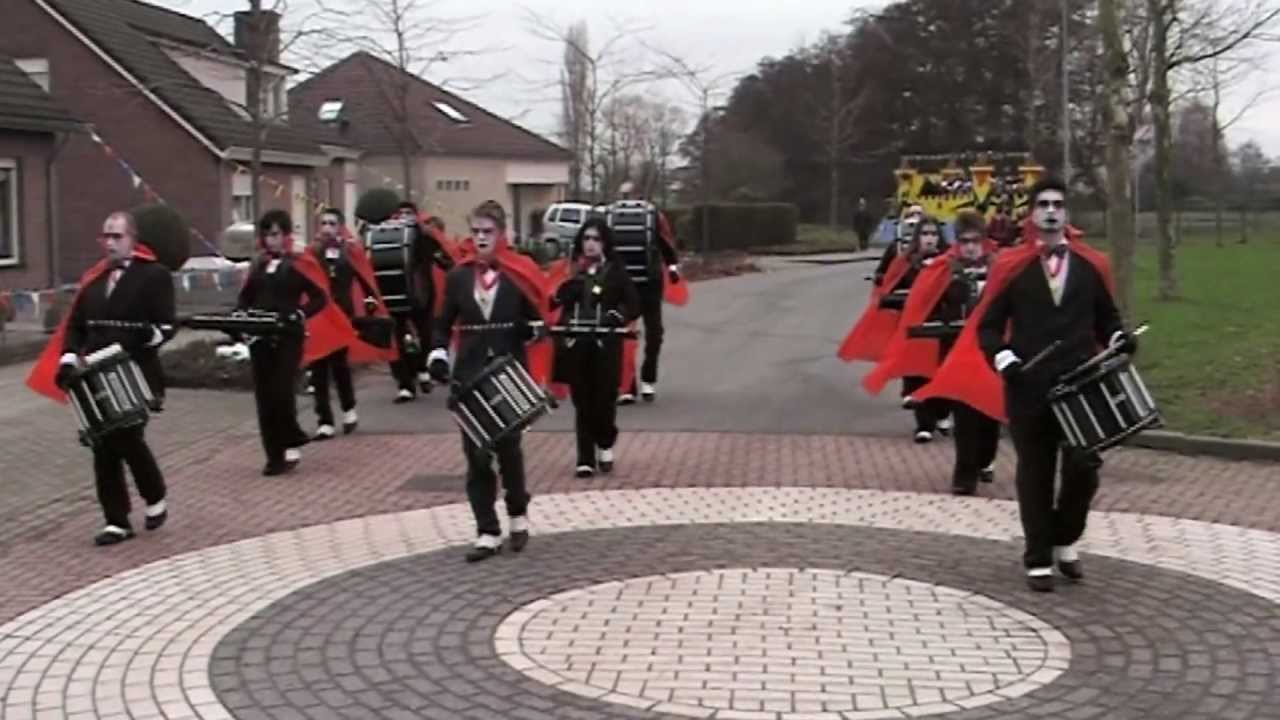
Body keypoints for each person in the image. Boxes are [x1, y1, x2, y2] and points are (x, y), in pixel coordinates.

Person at [911, 178, 1132, 592]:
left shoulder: (1090, 266)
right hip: (1029, 385)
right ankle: (1037, 556)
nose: (1050, 211)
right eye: (1043, 204)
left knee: (1084, 467)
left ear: (1067, 214)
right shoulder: (1012, 266)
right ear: (1032, 215)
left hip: (1079, 387)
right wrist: (1003, 357)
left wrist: (1121, 338)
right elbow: (989, 326)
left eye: (1058, 204)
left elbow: (1108, 320)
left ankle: (1064, 535)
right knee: (1036, 470)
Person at [30, 211, 175, 546]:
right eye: (106, 237)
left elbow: (167, 325)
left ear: (133, 240)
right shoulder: (93, 281)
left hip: (135, 373)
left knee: (126, 438)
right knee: (103, 445)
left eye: (117, 237)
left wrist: (145, 338)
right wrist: (68, 358)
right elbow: (77, 325)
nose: (110, 243)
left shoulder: (154, 276)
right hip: (96, 376)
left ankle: (154, 495)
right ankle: (116, 520)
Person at [427, 200, 547, 562]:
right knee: (476, 455)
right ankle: (486, 529)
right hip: (470, 375)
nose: (480, 238)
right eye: (475, 231)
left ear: (501, 235)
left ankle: (517, 512)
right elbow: (442, 323)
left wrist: (531, 330)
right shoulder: (458, 277)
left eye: (487, 232)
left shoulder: (517, 274)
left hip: (508, 372)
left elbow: (538, 319)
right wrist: (437, 353)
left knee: (509, 450)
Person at [237, 210, 332, 476]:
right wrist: (241, 318)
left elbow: (319, 297)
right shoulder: (257, 267)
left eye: (276, 234)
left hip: (288, 336)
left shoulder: (298, 264)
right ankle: (274, 455)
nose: (271, 240)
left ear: (286, 236)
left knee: (281, 390)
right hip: (261, 338)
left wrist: (299, 314)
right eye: (266, 234)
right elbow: (244, 299)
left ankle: (291, 436)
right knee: (264, 397)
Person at [551, 218, 641, 478]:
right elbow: (553, 300)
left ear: (605, 243)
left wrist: (617, 315)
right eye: (586, 239)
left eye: (596, 239)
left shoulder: (615, 272)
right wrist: (564, 294)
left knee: (604, 398)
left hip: (605, 344)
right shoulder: (570, 271)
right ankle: (585, 458)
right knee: (582, 399)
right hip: (577, 342)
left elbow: (633, 303)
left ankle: (605, 440)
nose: (590, 245)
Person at [308, 207, 381, 439]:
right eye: (324, 223)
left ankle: (348, 409)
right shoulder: (311, 253)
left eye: (332, 223)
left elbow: (366, 279)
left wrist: (370, 303)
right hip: (318, 316)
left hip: (341, 316)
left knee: (339, 366)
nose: (327, 228)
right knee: (317, 368)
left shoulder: (348, 252)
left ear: (339, 226)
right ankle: (324, 421)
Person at [614, 181, 680, 404]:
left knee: (623, 335)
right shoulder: (654, 215)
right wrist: (672, 267)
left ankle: (628, 387)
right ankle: (646, 381)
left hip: (623, 284)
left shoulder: (611, 216)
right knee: (654, 334)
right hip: (650, 283)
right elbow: (665, 242)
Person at [389, 201, 455, 403]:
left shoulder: (424, 237)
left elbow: (445, 260)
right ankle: (405, 384)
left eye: (409, 213)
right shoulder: (391, 236)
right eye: (401, 213)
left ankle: (423, 369)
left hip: (421, 293)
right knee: (397, 338)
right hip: (396, 294)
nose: (405, 217)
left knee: (425, 334)